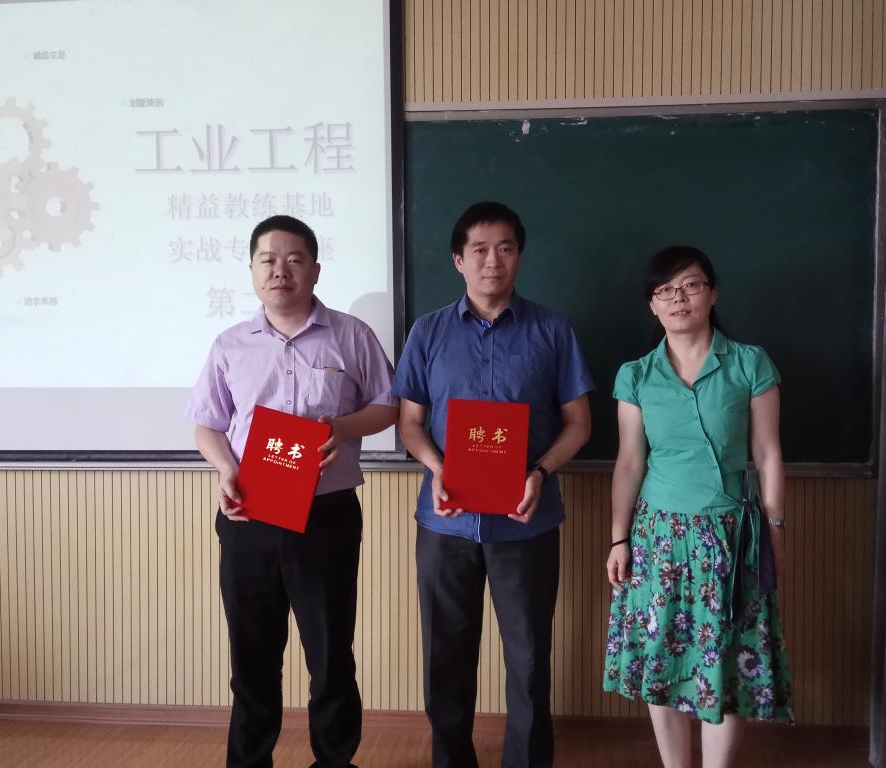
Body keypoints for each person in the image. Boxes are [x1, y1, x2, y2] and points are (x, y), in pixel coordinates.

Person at [185, 215, 399, 768]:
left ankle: (334, 760)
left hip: (325, 516)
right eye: (268, 260)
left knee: (330, 653)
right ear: (252, 270)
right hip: (249, 513)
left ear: (315, 270)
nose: (280, 270)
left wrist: (341, 429)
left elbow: (387, 405)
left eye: (294, 259)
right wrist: (224, 468)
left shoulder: (351, 335)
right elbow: (208, 423)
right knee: (252, 655)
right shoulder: (230, 344)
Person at [394, 201, 593, 768]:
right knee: (446, 657)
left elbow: (579, 424)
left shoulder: (553, 330)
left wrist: (540, 472)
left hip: (526, 521)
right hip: (445, 523)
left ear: (519, 256)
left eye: (505, 248)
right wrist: (438, 468)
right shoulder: (428, 331)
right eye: (479, 249)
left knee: (528, 662)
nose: (492, 261)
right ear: (458, 259)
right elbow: (410, 423)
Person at [603, 246, 794, 767]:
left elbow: (767, 453)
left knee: (726, 660)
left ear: (712, 292)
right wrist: (619, 538)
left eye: (690, 285)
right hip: (657, 536)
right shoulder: (636, 375)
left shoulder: (749, 363)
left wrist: (775, 530)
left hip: (731, 534)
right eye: (665, 290)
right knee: (660, 658)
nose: (678, 298)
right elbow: (629, 462)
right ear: (652, 304)